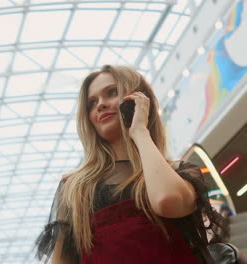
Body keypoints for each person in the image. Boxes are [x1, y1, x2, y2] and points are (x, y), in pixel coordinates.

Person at [34, 65, 232, 264]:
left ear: (139, 100)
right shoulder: (74, 188)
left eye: (111, 93)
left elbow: (167, 200)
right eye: (92, 103)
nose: (100, 105)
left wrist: (139, 131)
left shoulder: (178, 172)